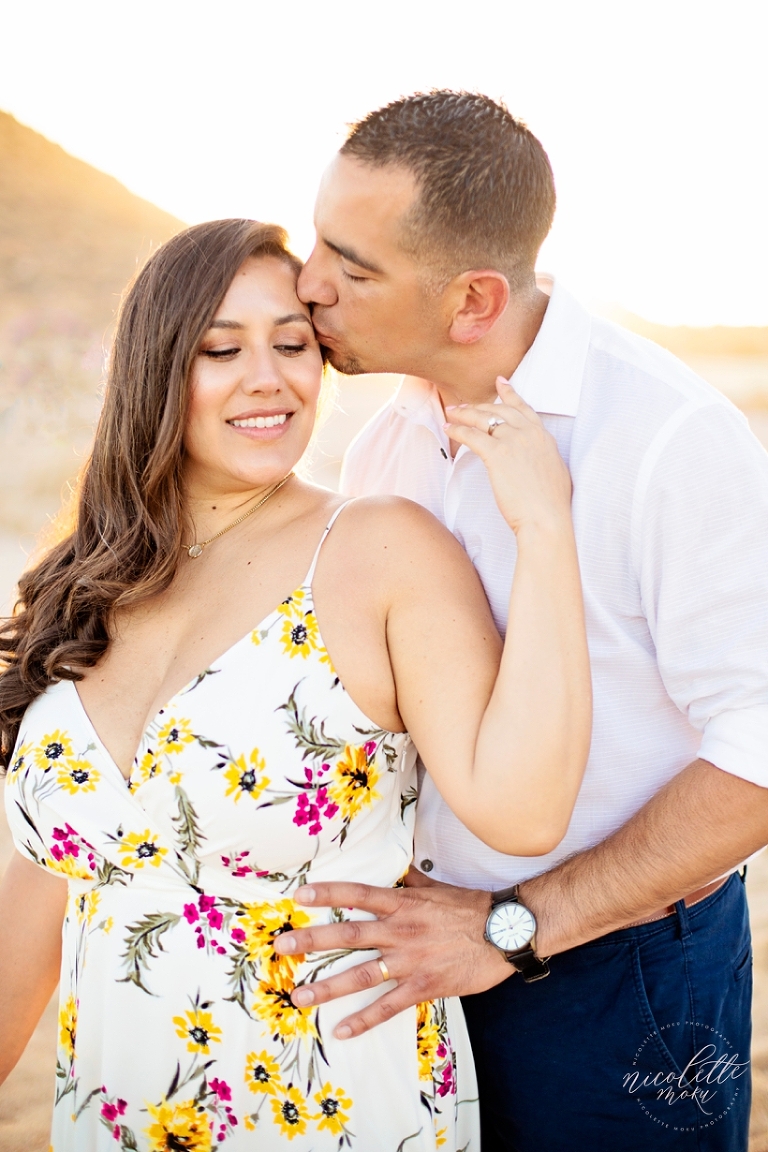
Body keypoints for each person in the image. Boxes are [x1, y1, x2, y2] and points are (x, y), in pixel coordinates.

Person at [0, 218, 591, 1151]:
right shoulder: (93, 576)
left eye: (293, 344)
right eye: (221, 349)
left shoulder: (378, 550)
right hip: (113, 1115)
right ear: (156, 370)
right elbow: (43, 887)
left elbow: (523, 813)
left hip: (328, 1108)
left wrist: (546, 528)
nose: (268, 376)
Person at [270, 91, 768, 1151]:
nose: (310, 284)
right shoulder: (385, 444)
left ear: (472, 300)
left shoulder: (672, 442)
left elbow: (761, 752)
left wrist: (517, 926)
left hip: (625, 979)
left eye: (352, 269)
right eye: (319, 239)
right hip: (420, 961)